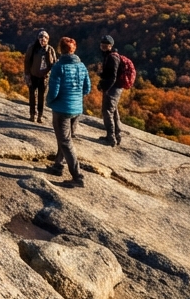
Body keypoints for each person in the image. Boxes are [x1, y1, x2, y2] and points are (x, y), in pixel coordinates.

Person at [45, 37, 92, 188]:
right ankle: (58, 166)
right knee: (65, 138)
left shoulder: (59, 67)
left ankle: (77, 177)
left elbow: (54, 91)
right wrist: (76, 97)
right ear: (74, 49)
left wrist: (49, 102)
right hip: (77, 109)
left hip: (62, 109)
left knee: (65, 141)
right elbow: (87, 88)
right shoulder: (82, 66)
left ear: (60, 49)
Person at [98, 35, 132, 147]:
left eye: (105, 44)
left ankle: (111, 138)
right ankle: (117, 136)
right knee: (114, 111)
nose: (103, 45)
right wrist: (100, 74)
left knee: (107, 112)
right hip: (115, 87)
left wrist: (105, 88)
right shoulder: (109, 55)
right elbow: (108, 74)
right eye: (102, 43)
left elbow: (112, 77)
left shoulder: (112, 57)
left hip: (113, 88)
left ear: (110, 45)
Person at [22, 30, 58, 124]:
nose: (43, 39)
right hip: (33, 75)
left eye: (45, 38)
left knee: (42, 96)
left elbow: (54, 64)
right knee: (32, 95)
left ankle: (40, 116)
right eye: (41, 37)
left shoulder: (50, 50)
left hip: (44, 77)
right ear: (38, 38)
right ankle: (32, 115)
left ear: (48, 39)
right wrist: (27, 74)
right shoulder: (32, 48)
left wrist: (51, 75)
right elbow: (27, 61)